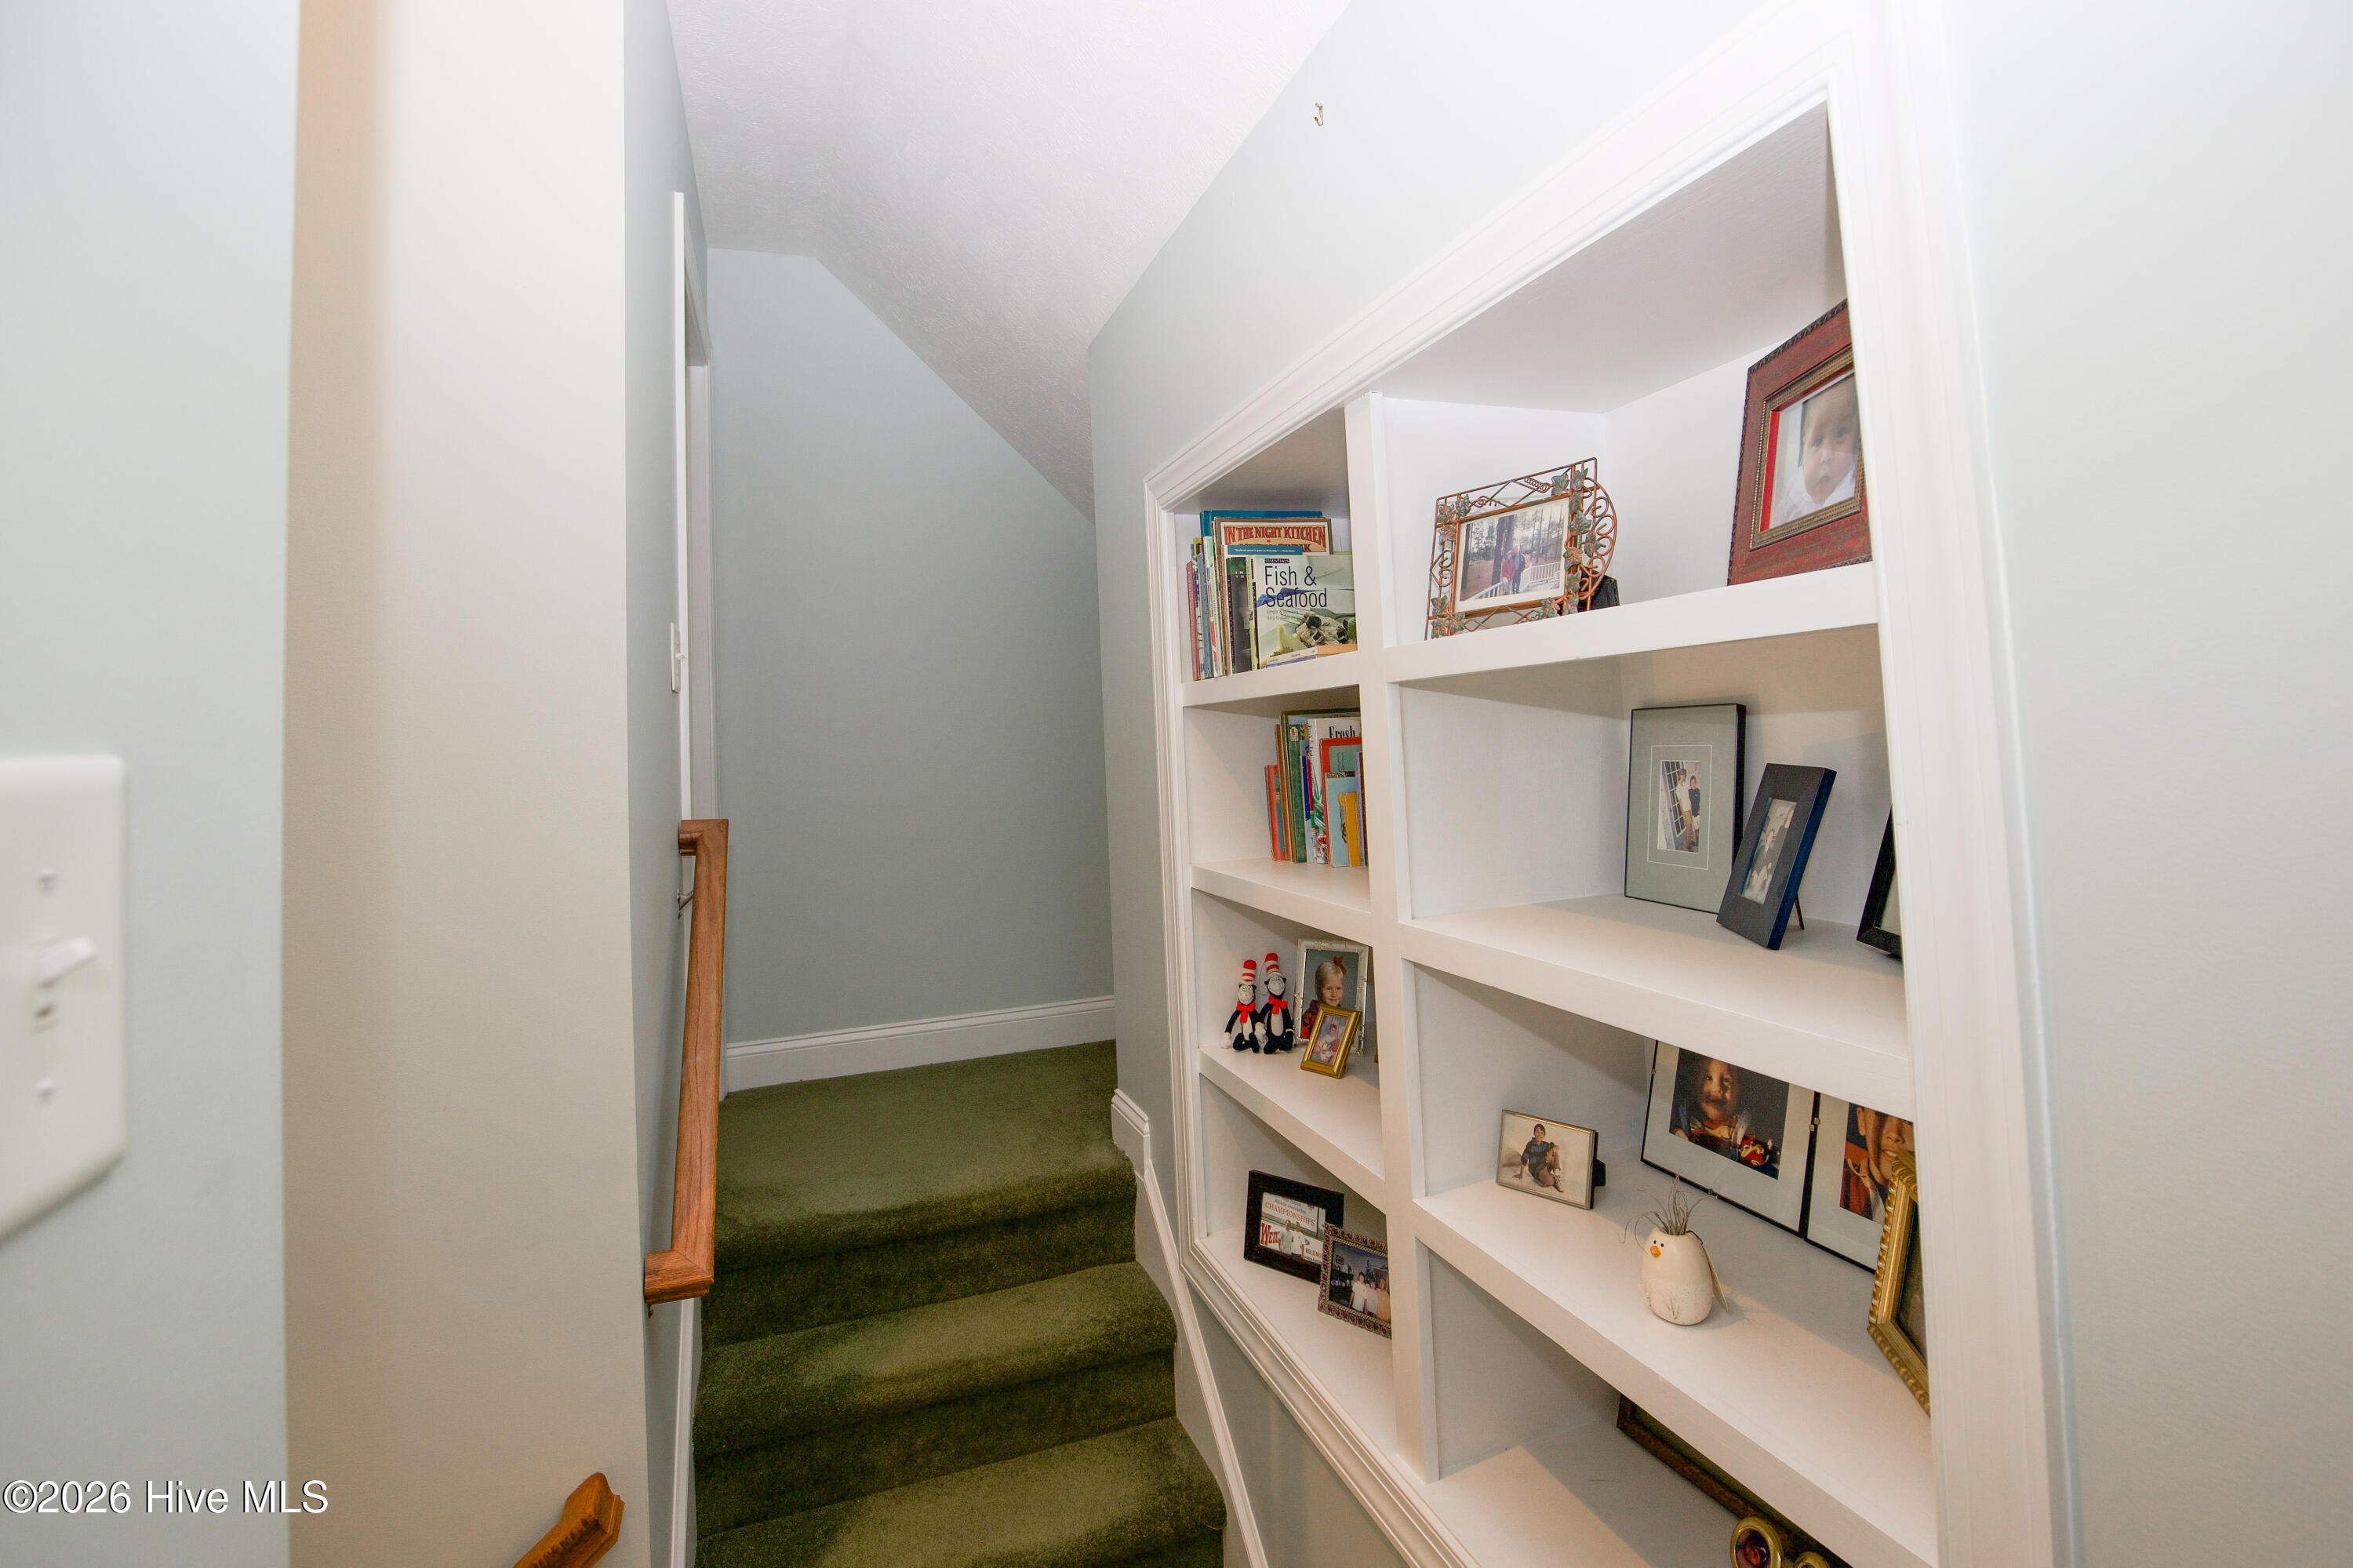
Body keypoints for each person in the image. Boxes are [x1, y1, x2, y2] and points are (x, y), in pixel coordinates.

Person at [1769, 373, 1860, 529]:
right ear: (1804, 448)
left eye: (1840, 434)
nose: (1826, 456)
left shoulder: (1848, 491)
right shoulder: (1797, 485)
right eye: (1817, 442)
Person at [1671, 1057, 1780, 1177]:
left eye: (1727, 1080)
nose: (1718, 1088)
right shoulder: (1684, 1118)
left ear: (1739, 1088)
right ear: (1695, 1083)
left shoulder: (1745, 1129)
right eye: (1708, 1078)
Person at [1840, 1106, 1915, 1221]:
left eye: (1909, 1121)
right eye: (1882, 1114)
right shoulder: (1843, 1187)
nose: (1894, 1134)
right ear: (1862, 1121)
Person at [1511, 1122, 1562, 1191]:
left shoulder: (1545, 1145)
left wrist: (1551, 1152)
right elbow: (1524, 1160)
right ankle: (1554, 1179)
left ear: (1544, 1135)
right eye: (1537, 1132)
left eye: (1541, 1133)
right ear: (1534, 1133)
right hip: (1537, 1170)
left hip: (1545, 1166)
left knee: (1554, 1152)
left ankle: (1556, 1172)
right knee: (1549, 1181)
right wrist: (1521, 1174)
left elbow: (1557, 1147)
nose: (1539, 1135)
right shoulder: (1530, 1145)